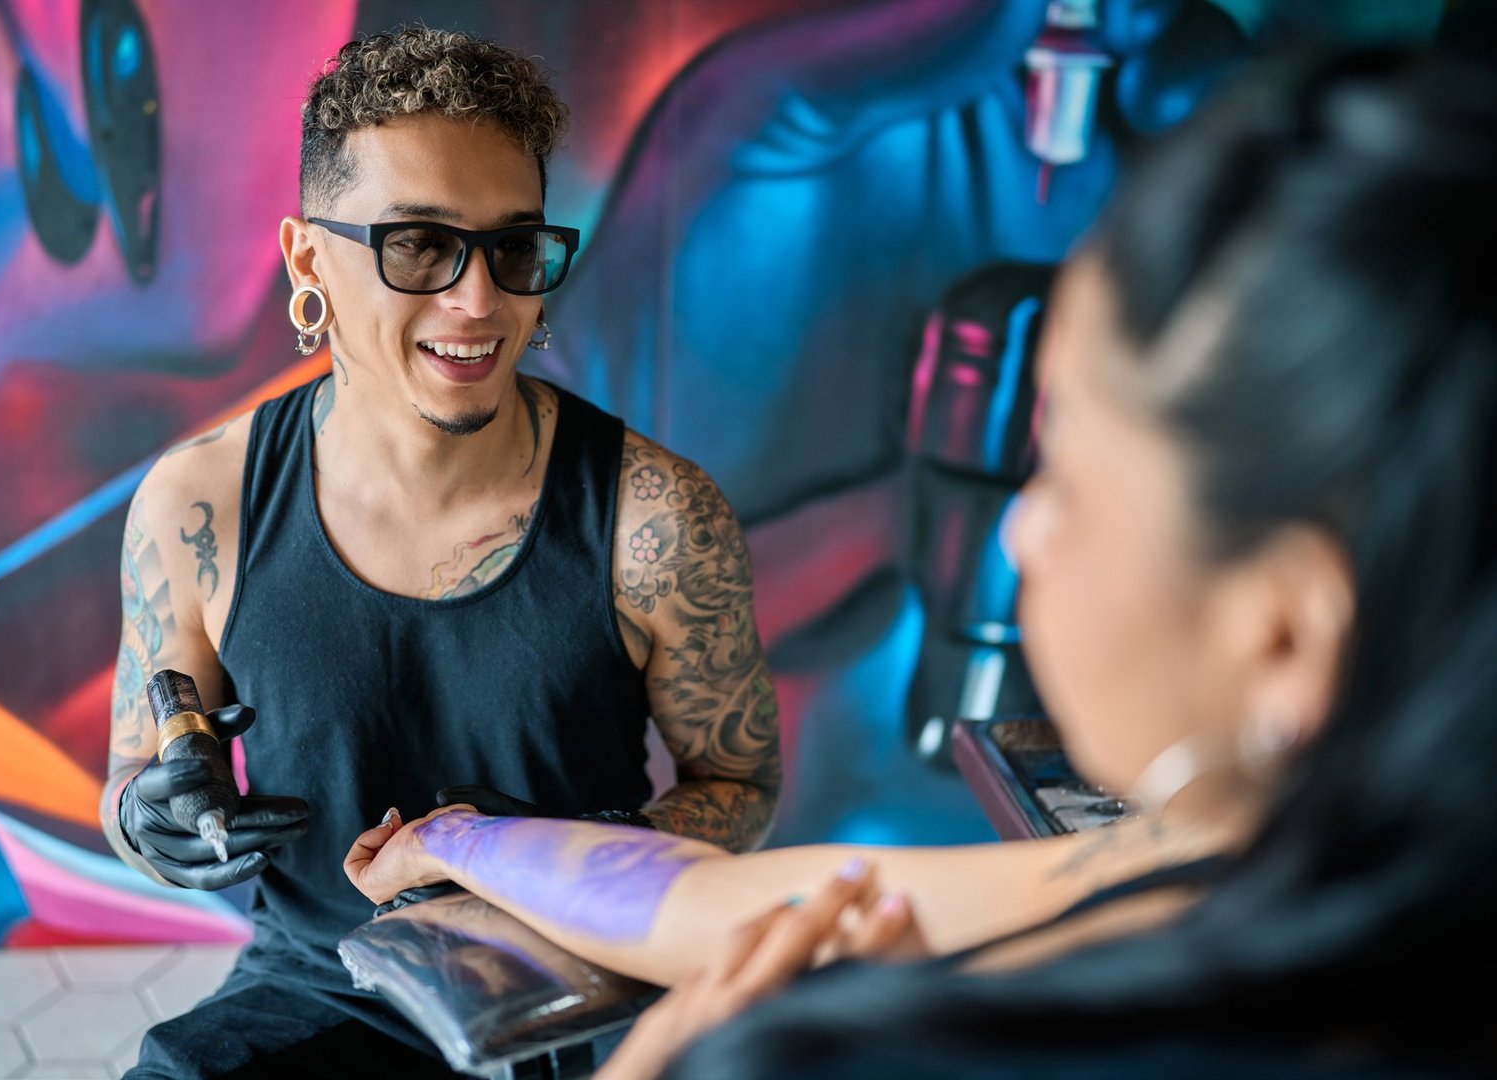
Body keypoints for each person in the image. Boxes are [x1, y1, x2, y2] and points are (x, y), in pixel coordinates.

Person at [345, 44, 1497, 1078]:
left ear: (1286, 627)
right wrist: (456, 837)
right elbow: (733, 899)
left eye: (1066, 474)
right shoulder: (1247, 851)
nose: (1018, 530)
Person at [100, 25, 781, 1079]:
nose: (478, 301)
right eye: (418, 244)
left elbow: (737, 780)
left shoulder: (656, 517)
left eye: (513, 248)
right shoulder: (199, 508)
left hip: (581, 993)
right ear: (308, 258)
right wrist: (155, 815)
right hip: (321, 990)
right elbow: (134, 778)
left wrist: (561, 863)